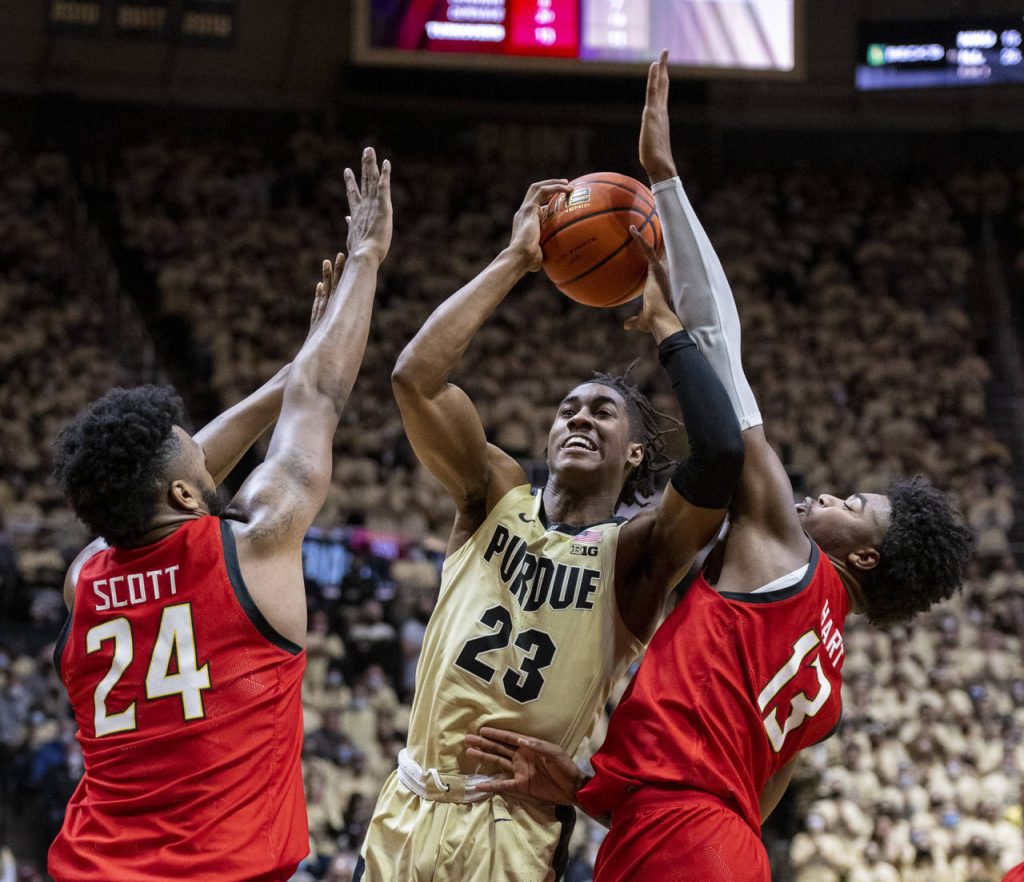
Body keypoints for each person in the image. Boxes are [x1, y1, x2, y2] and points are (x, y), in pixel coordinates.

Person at [464, 52, 972, 882]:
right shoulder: (826, 692)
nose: (826, 495)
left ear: (862, 556)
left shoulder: (788, 556)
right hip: (716, 844)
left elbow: (723, 361)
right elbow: (729, 798)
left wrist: (664, 186)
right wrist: (585, 789)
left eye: (852, 504)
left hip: (681, 845)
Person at [356, 179, 746, 881]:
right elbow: (415, 379)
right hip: (406, 810)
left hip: (512, 829)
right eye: (569, 410)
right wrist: (515, 260)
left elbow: (719, 455)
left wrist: (667, 331)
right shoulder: (493, 495)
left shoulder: (635, 552)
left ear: (634, 454)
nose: (580, 417)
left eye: (602, 412)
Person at [47, 148, 393, 882]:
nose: (211, 460)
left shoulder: (85, 578)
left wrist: (291, 373)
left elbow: (161, 479)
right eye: (198, 463)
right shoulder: (254, 545)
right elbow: (321, 399)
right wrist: (366, 257)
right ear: (182, 495)